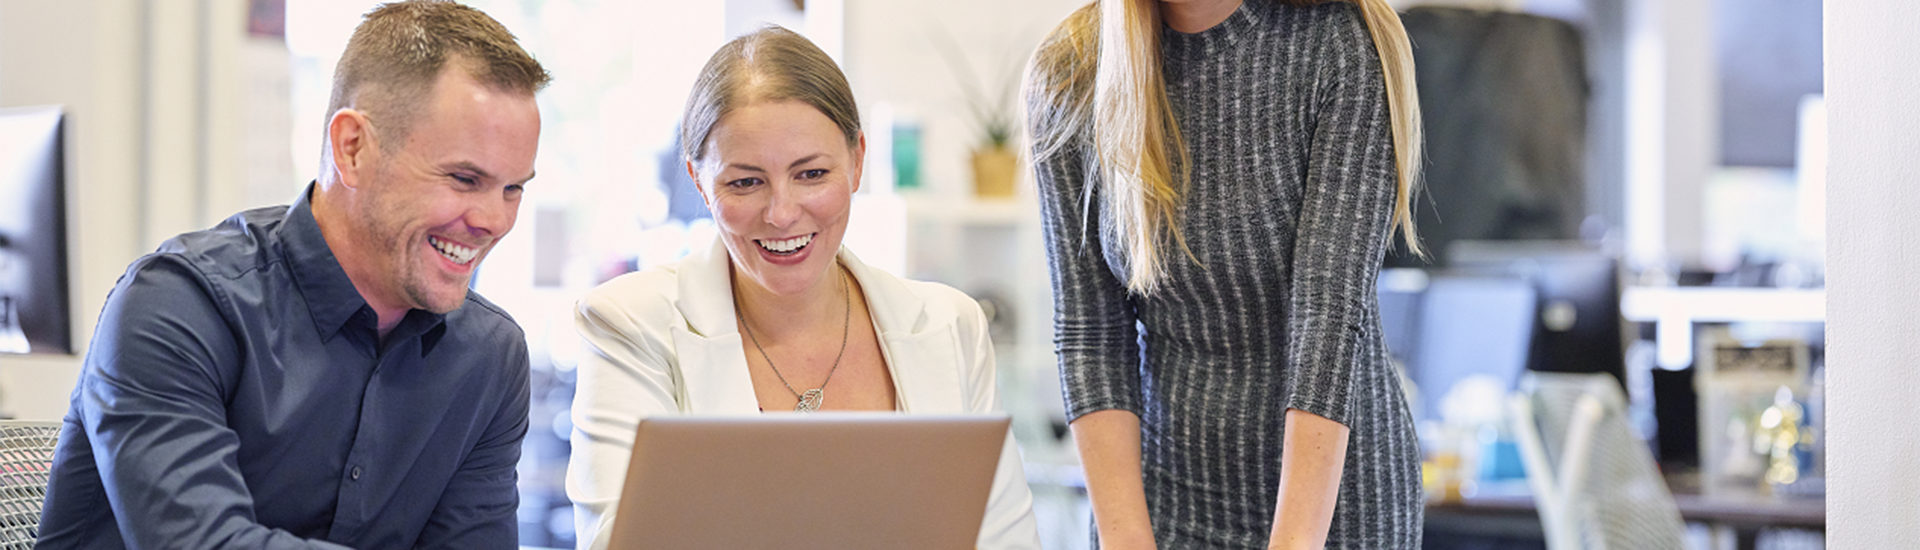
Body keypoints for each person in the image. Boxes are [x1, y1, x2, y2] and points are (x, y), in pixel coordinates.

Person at [35, 2, 549, 548]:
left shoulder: (489, 356)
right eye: (464, 178)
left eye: (513, 188)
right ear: (352, 148)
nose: (494, 221)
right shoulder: (175, 308)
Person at [565, 26, 1041, 550]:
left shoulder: (952, 325)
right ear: (699, 182)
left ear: (858, 160)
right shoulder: (629, 324)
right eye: (745, 181)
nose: (783, 212)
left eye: (811, 173)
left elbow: (1004, 541)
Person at [1025, 0, 1425, 548]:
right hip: (1163, 499)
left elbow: (1327, 320)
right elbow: (1092, 335)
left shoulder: (1337, 43)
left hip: (1333, 507)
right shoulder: (1069, 71)